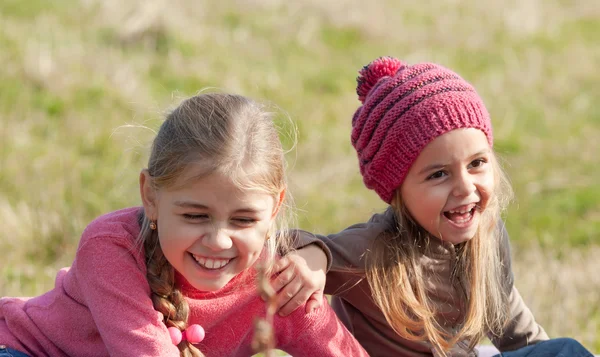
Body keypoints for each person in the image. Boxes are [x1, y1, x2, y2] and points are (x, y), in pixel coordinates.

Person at [0, 93, 368, 357]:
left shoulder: (281, 285)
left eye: (244, 219)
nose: (218, 240)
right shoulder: (111, 247)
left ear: (274, 209)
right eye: (195, 215)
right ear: (151, 196)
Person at [292, 57, 594, 357]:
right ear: (396, 190)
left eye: (477, 163)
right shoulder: (375, 251)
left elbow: (516, 332)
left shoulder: (486, 236)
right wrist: (315, 256)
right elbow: (279, 248)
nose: (465, 188)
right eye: (438, 174)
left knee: (565, 351)